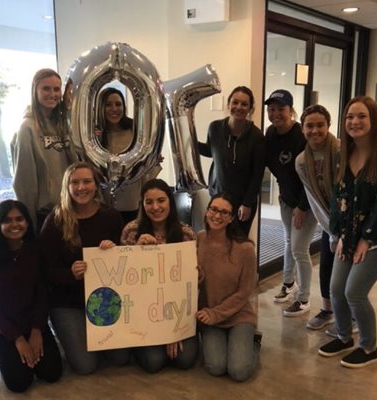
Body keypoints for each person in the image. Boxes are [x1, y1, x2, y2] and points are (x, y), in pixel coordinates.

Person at [318, 96, 377, 368]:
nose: (354, 122)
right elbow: (338, 197)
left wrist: (367, 238)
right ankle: (344, 337)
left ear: (373, 119)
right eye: (349, 117)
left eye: (361, 116)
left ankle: (369, 347)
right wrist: (340, 235)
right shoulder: (346, 150)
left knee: (354, 291)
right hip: (350, 234)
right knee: (335, 289)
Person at [40, 162, 129, 375]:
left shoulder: (111, 216)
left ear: (96, 185)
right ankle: (70, 335)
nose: (82, 187)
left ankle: (90, 337)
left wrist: (114, 251)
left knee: (122, 358)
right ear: (67, 187)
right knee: (85, 366)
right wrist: (70, 274)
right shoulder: (55, 221)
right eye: (75, 182)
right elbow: (46, 270)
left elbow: (124, 262)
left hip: (104, 298)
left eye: (87, 181)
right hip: (68, 302)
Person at [0, 200, 62, 393]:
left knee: (52, 373)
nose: (15, 225)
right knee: (19, 383)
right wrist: (18, 339)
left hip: (32, 321)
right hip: (2, 326)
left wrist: (37, 330)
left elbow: (41, 292)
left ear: (27, 222)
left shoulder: (33, 248)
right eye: (7, 220)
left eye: (19, 219)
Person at [121, 178, 198, 373]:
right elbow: (124, 280)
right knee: (153, 363)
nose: (155, 207)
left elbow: (190, 285)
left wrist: (174, 330)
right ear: (142, 204)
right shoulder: (131, 231)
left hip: (178, 310)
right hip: (144, 312)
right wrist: (137, 251)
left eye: (161, 200)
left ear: (170, 202)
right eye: (149, 202)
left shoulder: (186, 234)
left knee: (185, 360)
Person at [264, 89, 317, 317]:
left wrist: (302, 206)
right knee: (288, 241)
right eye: (271, 109)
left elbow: (312, 177)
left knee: (299, 249)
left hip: (307, 202)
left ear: (290, 110)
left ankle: (304, 298)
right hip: (286, 198)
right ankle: (288, 283)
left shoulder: (301, 136)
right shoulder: (270, 134)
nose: (275, 113)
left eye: (280, 109)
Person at [196, 192, 259, 382]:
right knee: (215, 367)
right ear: (207, 211)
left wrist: (216, 313)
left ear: (232, 218)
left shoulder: (245, 249)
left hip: (238, 315)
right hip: (209, 316)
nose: (217, 216)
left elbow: (244, 292)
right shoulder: (198, 239)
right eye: (214, 209)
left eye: (224, 213)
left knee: (238, 371)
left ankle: (254, 345)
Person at [13, 68, 78, 230]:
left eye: (57, 89)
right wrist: (29, 220)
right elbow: (24, 181)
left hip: (70, 207)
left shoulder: (63, 125)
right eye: (46, 88)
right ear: (35, 90)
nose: (52, 94)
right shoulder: (27, 128)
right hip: (45, 213)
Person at [198, 86, 266, 236]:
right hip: (218, 198)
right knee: (215, 239)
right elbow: (211, 151)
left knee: (238, 243)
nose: (239, 107)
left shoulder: (257, 137)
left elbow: (257, 174)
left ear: (250, 108)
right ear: (228, 104)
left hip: (242, 203)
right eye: (235, 102)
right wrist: (188, 142)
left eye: (244, 104)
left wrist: (247, 203)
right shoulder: (214, 128)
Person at [295, 105, 339, 330]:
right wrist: (331, 230)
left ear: (328, 126)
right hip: (329, 221)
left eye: (320, 125)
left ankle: (349, 317)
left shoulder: (343, 150)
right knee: (326, 267)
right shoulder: (302, 161)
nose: (315, 130)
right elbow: (314, 199)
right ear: (302, 129)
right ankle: (327, 310)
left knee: (347, 273)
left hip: (351, 221)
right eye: (309, 126)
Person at [95, 87, 161, 224]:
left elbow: (146, 166)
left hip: (132, 200)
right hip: (104, 202)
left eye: (118, 104)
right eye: (108, 104)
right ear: (100, 107)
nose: (114, 109)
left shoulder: (135, 131)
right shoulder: (94, 135)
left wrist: (152, 161)